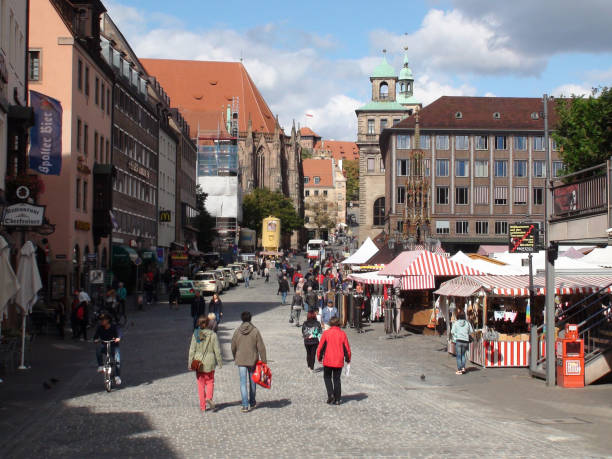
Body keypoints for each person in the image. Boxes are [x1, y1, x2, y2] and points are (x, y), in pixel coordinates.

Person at [231, 311, 267, 413]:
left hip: (241, 360)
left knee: (243, 383)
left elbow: (233, 346)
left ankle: (245, 405)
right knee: (253, 381)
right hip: (252, 360)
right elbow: (261, 347)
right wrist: (264, 361)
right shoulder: (255, 331)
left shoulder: (237, 331)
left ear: (242, 319)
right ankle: (252, 401)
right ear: (250, 318)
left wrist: (235, 356)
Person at [188, 315, 222, 412]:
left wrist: (190, 363)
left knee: (200, 384)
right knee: (210, 381)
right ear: (208, 324)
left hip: (199, 363)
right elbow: (217, 350)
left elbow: (191, 350)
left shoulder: (196, 334)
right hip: (210, 362)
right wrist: (219, 362)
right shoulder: (213, 335)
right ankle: (209, 397)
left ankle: (203, 406)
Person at [317, 317, 351, 405]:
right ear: (338, 324)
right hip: (338, 360)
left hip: (328, 359)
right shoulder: (342, 334)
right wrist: (348, 359)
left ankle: (331, 394)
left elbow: (320, 347)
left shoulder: (326, 333)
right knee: (337, 379)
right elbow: (346, 348)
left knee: (327, 377)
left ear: (330, 324)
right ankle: (338, 399)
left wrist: (319, 357)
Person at [93, 313, 122, 386]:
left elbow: (119, 333)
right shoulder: (100, 328)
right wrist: (95, 339)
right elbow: (95, 336)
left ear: (108, 320)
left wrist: (118, 338)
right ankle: (100, 365)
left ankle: (117, 376)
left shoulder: (114, 327)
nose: (102, 321)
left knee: (117, 360)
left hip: (114, 345)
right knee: (98, 349)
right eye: (101, 320)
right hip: (104, 345)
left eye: (103, 320)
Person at [451, 310, 473, 375]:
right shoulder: (468, 323)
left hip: (458, 341)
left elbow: (452, 332)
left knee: (458, 356)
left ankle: (459, 370)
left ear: (458, 316)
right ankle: (463, 368)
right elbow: (471, 331)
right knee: (463, 355)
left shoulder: (456, 323)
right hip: (465, 341)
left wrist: (456, 336)